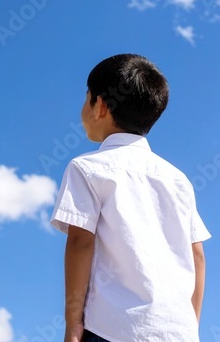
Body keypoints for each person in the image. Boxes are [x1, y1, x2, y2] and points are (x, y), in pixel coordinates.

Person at [50, 54, 211, 342]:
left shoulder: (86, 168)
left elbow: (80, 242)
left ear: (100, 106)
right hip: (177, 331)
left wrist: (73, 324)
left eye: (86, 98)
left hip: (111, 328)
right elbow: (197, 255)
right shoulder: (178, 180)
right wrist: (191, 327)